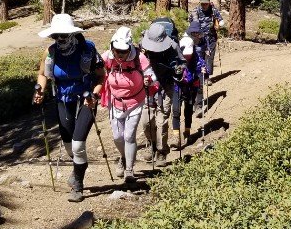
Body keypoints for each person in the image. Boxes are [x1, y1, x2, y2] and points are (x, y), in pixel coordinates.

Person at [32, 14, 105, 203]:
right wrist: (40, 91)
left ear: (72, 34)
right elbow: (43, 74)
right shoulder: (50, 52)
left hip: (87, 99)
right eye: (55, 35)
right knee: (68, 145)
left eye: (63, 35)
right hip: (63, 100)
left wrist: (95, 95)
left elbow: (101, 75)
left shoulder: (88, 50)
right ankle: (79, 166)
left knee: (78, 143)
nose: (60, 39)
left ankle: (78, 186)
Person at [100, 26, 152, 183]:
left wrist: (149, 80)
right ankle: (123, 157)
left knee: (129, 136)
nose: (120, 54)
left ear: (129, 47)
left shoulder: (139, 58)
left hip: (135, 102)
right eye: (117, 50)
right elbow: (96, 69)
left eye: (123, 51)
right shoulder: (107, 57)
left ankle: (129, 169)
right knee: (117, 137)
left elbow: (151, 74)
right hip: (115, 101)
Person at [140, 21, 185, 163]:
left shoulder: (173, 47)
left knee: (161, 120)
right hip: (148, 86)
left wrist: (179, 71)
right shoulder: (143, 45)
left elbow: (182, 63)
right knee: (146, 121)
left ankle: (161, 150)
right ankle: (152, 144)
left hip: (167, 85)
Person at [173, 36, 206, 139]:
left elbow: (204, 68)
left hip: (191, 87)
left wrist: (204, 71)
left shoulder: (197, 59)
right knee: (176, 110)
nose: (187, 56)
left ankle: (187, 132)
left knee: (188, 109)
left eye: (189, 54)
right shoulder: (175, 59)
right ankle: (176, 136)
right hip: (178, 87)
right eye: (185, 54)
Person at [189, 0, 223, 83]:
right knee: (199, 57)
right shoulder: (195, 11)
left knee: (209, 57)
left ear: (209, 3)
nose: (204, 5)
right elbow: (191, 22)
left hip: (211, 38)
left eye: (206, 4)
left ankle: (207, 77)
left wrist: (218, 25)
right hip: (199, 38)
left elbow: (221, 20)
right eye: (202, 4)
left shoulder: (213, 10)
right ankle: (199, 77)